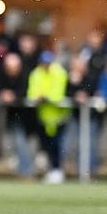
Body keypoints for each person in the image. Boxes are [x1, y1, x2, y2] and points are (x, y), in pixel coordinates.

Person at [27, 50, 69, 183]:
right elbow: (32, 93)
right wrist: (37, 97)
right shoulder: (36, 73)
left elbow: (58, 93)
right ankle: (50, 170)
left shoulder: (59, 72)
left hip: (58, 117)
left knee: (56, 144)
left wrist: (45, 97)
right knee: (45, 144)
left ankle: (57, 170)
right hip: (43, 117)